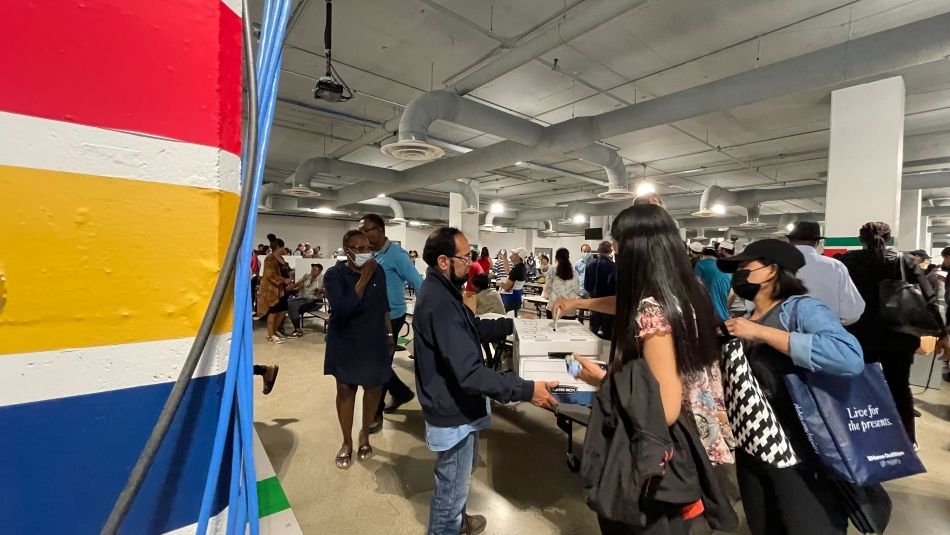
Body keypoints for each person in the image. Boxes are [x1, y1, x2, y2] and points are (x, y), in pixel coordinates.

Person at [566, 205, 736, 534]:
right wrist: (580, 304)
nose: (617, 257)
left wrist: (599, 378)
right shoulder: (687, 293)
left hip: (663, 453)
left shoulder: (653, 312)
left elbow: (664, 407)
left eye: (618, 249)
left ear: (636, 251)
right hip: (695, 438)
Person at [413, 227, 557, 535]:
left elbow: (472, 328)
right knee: (449, 493)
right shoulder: (439, 302)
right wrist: (527, 389)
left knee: (458, 482)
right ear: (443, 261)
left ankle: (460, 522)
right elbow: (470, 374)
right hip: (453, 410)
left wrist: (514, 324)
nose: (471, 263)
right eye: (465, 257)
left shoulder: (444, 292)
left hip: (457, 405)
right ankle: (450, 526)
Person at [717, 238, 864, 535]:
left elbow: (849, 357)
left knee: (806, 523)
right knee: (763, 523)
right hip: (753, 445)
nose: (739, 275)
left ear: (772, 270)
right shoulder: (745, 318)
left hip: (800, 447)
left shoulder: (801, 309)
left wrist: (762, 333)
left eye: (746, 266)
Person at [839, 222, 943, 445]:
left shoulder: (848, 260)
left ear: (860, 239)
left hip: (860, 334)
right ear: (889, 237)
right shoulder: (905, 261)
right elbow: (929, 299)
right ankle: (907, 440)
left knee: (860, 385)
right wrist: (941, 330)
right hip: (899, 334)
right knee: (899, 386)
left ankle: (862, 436)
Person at [323, 230, 393, 469]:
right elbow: (344, 308)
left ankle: (364, 433)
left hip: (373, 338)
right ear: (347, 249)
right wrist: (364, 277)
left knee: (373, 388)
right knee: (345, 389)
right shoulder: (334, 275)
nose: (364, 252)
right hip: (345, 339)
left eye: (367, 247)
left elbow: (383, 303)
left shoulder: (379, 271)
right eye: (358, 248)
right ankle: (346, 442)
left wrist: (390, 333)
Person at [359, 214, 423, 427]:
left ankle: (375, 413)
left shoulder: (397, 255)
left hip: (392, 318)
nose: (362, 234)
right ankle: (401, 392)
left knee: (378, 365)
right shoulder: (366, 254)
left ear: (380, 230)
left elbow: (418, 282)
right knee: (376, 363)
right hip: (370, 317)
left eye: (366, 229)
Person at [786, 221, 865, 325]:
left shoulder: (775, 265)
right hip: (822, 333)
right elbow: (851, 312)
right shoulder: (835, 266)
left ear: (790, 241)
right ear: (817, 242)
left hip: (778, 334)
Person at [256, 239, 293, 344]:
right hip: (272, 290)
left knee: (282, 311)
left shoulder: (281, 258)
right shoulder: (269, 259)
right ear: (280, 248)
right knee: (273, 312)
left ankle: (275, 332)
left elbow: (286, 271)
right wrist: (285, 280)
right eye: (283, 247)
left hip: (282, 290)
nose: (285, 249)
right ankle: (270, 335)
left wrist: (289, 281)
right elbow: (270, 275)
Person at [584, 241, 616, 339]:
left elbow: (586, 285)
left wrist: (593, 293)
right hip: (608, 302)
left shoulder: (590, 266)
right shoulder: (614, 267)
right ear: (610, 251)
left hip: (594, 301)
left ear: (598, 250)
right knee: (607, 333)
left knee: (593, 332)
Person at [694, 246, 731, 321]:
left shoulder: (700, 264)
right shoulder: (726, 266)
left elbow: (695, 286)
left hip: (709, 314)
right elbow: (732, 293)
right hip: (724, 315)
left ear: (702, 255)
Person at [288, 263, 325, 337]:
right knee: (288, 303)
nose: (312, 271)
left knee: (293, 306)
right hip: (303, 298)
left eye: (315, 269)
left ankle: (297, 330)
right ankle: (288, 327)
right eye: (312, 269)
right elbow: (297, 284)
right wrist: (291, 287)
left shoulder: (323, 278)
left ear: (320, 271)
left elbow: (328, 291)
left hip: (315, 301)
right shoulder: (306, 276)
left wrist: (321, 291)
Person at [542, 248, 579, 320]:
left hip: (554, 307)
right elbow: (577, 290)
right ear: (568, 257)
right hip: (570, 309)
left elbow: (547, 289)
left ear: (556, 258)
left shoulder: (552, 270)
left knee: (553, 330)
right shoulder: (575, 273)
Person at [499, 247, 528, 316]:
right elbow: (508, 271)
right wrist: (505, 258)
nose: (511, 256)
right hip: (516, 298)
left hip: (510, 299)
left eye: (513, 254)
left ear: (518, 256)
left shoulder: (517, 269)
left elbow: (506, 287)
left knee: (508, 321)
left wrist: (499, 283)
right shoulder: (521, 268)